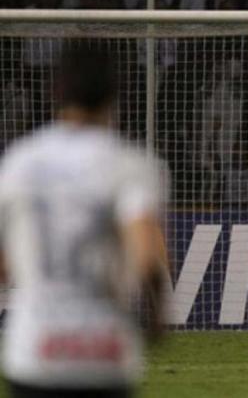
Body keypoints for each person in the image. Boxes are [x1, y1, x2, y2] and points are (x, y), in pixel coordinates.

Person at [0, 45, 169, 397]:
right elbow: (147, 256)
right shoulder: (130, 164)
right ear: (114, 94)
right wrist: (156, 316)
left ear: (55, 93)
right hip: (104, 354)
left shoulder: (19, 162)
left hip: (35, 351)